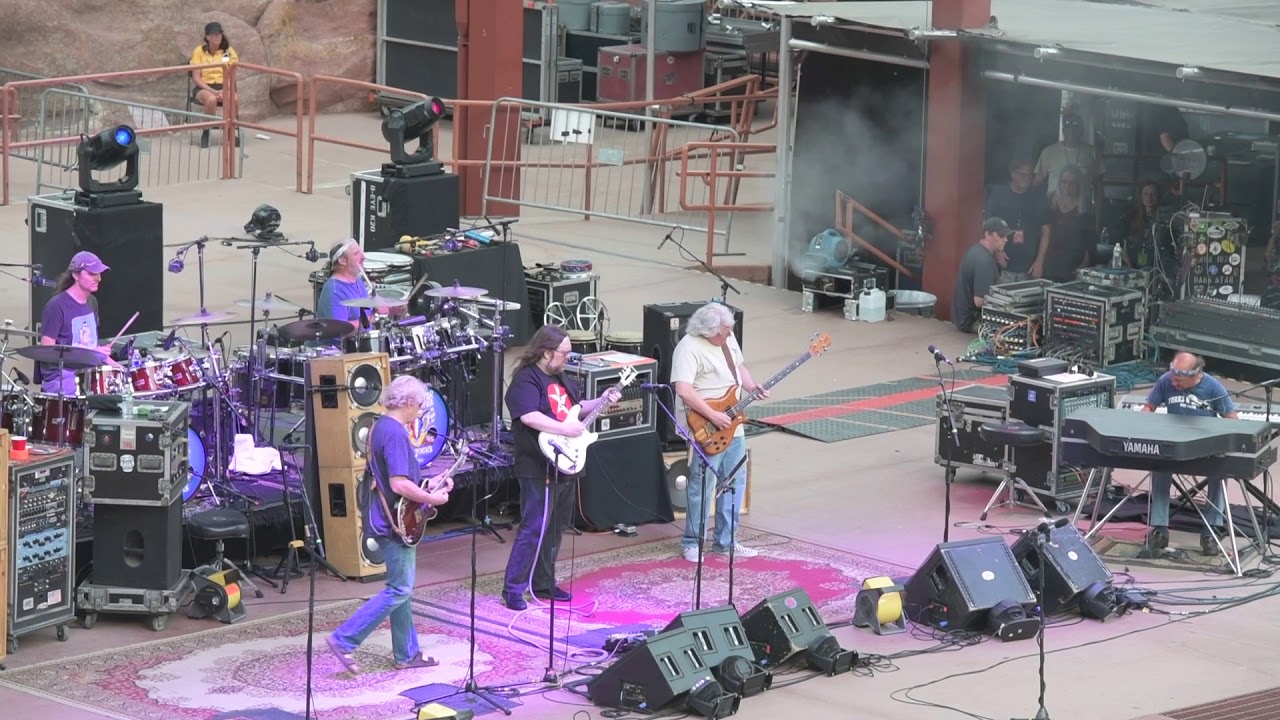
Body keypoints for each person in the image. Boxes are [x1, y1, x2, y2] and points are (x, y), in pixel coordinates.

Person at [328, 375, 453, 673]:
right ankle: (344, 639)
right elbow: (398, 484)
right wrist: (432, 499)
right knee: (399, 589)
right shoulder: (395, 434)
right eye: (420, 404)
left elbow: (395, 479)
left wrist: (430, 483)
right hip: (394, 523)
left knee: (402, 589)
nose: (421, 411)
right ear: (407, 402)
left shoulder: (380, 426)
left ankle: (406, 654)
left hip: (389, 518)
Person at [502, 324, 622, 610]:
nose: (568, 358)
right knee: (533, 527)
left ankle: (543, 582)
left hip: (565, 462)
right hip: (538, 464)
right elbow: (529, 416)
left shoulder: (561, 376)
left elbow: (575, 408)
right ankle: (513, 589)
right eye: (564, 353)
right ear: (547, 352)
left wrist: (602, 400)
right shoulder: (526, 379)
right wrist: (565, 430)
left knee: (556, 527)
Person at [671, 302, 765, 563]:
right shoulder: (688, 348)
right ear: (706, 331)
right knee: (703, 485)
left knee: (735, 482)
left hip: (733, 423)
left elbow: (739, 366)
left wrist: (751, 386)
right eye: (724, 332)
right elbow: (684, 390)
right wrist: (713, 415)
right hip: (707, 425)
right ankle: (693, 542)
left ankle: (727, 541)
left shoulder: (727, 337)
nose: (729, 335)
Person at [1141, 352, 1236, 556]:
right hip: (1174, 446)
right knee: (1159, 467)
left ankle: (1211, 530)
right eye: (1173, 378)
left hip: (1204, 447)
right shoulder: (1165, 381)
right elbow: (1149, 407)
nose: (1173, 383)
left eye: (1179, 381)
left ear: (1196, 374)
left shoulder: (1213, 387)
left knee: (1220, 471)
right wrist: (1143, 426)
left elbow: (1231, 418)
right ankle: (1159, 528)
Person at [38, 251, 118, 394]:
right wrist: (91, 353)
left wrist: (115, 366)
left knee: (122, 387)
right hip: (62, 378)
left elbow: (89, 344)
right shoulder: (56, 306)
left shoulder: (92, 302)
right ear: (75, 275)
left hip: (88, 371)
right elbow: (47, 351)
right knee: (102, 396)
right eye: (92, 274)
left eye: (99, 274)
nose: (98, 278)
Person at [985, 158, 1052, 282]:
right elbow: (988, 224)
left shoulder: (1038, 198)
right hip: (1002, 264)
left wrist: (1040, 261)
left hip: (1030, 266)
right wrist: (997, 250)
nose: (1026, 178)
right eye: (1022, 174)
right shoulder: (999, 194)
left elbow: (1046, 230)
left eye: (1029, 175)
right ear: (1012, 173)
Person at [952, 218, 1009, 334]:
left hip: (962, 318)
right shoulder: (984, 261)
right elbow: (979, 301)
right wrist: (1008, 302)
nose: (1006, 239)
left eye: (1006, 236)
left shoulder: (977, 250)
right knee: (1013, 329)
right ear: (988, 235)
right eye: (1001, 235)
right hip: (972, 321)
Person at [189, 21, 239, 149]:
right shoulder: (199, 51)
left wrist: (224, 89)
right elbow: (196, 77)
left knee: (234, 98)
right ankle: (206, 131)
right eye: (214, 34)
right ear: (207, 37)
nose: (217, 37)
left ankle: (230, 131)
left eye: (219, 34)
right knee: (211, 99)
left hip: (223, 85)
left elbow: (231, 74)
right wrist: (212, 91)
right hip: (204, 86)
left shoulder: (227, 51)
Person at [1041, 166, 1093, 283]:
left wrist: (1084, 265)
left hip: (1071, 265)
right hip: (1048, 262)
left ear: (1078, 185)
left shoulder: (1086, 207)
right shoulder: (1050, 202)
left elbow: (1089, 241)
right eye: (1064, 182)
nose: (1067, 186)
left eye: (1072, 183)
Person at [1034, 112, 1098, 203]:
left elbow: (1098, 185)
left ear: (1082, 131)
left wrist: (1098, 211)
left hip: (1082, 208)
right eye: (1069, 128)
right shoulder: (1048, 152)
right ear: (1063, 131)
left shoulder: (1092, 152)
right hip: (1054, 208)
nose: (1072, 132)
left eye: (1075, 128)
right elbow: (1036, 182)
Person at [317, 239, 372, 328]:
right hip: (345, 338)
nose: (363, 257)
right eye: (356, 253)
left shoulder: (357, 280)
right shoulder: (334, 291)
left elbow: (366, 311)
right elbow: (340, 328)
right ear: (342, 260)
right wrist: (374, 318)